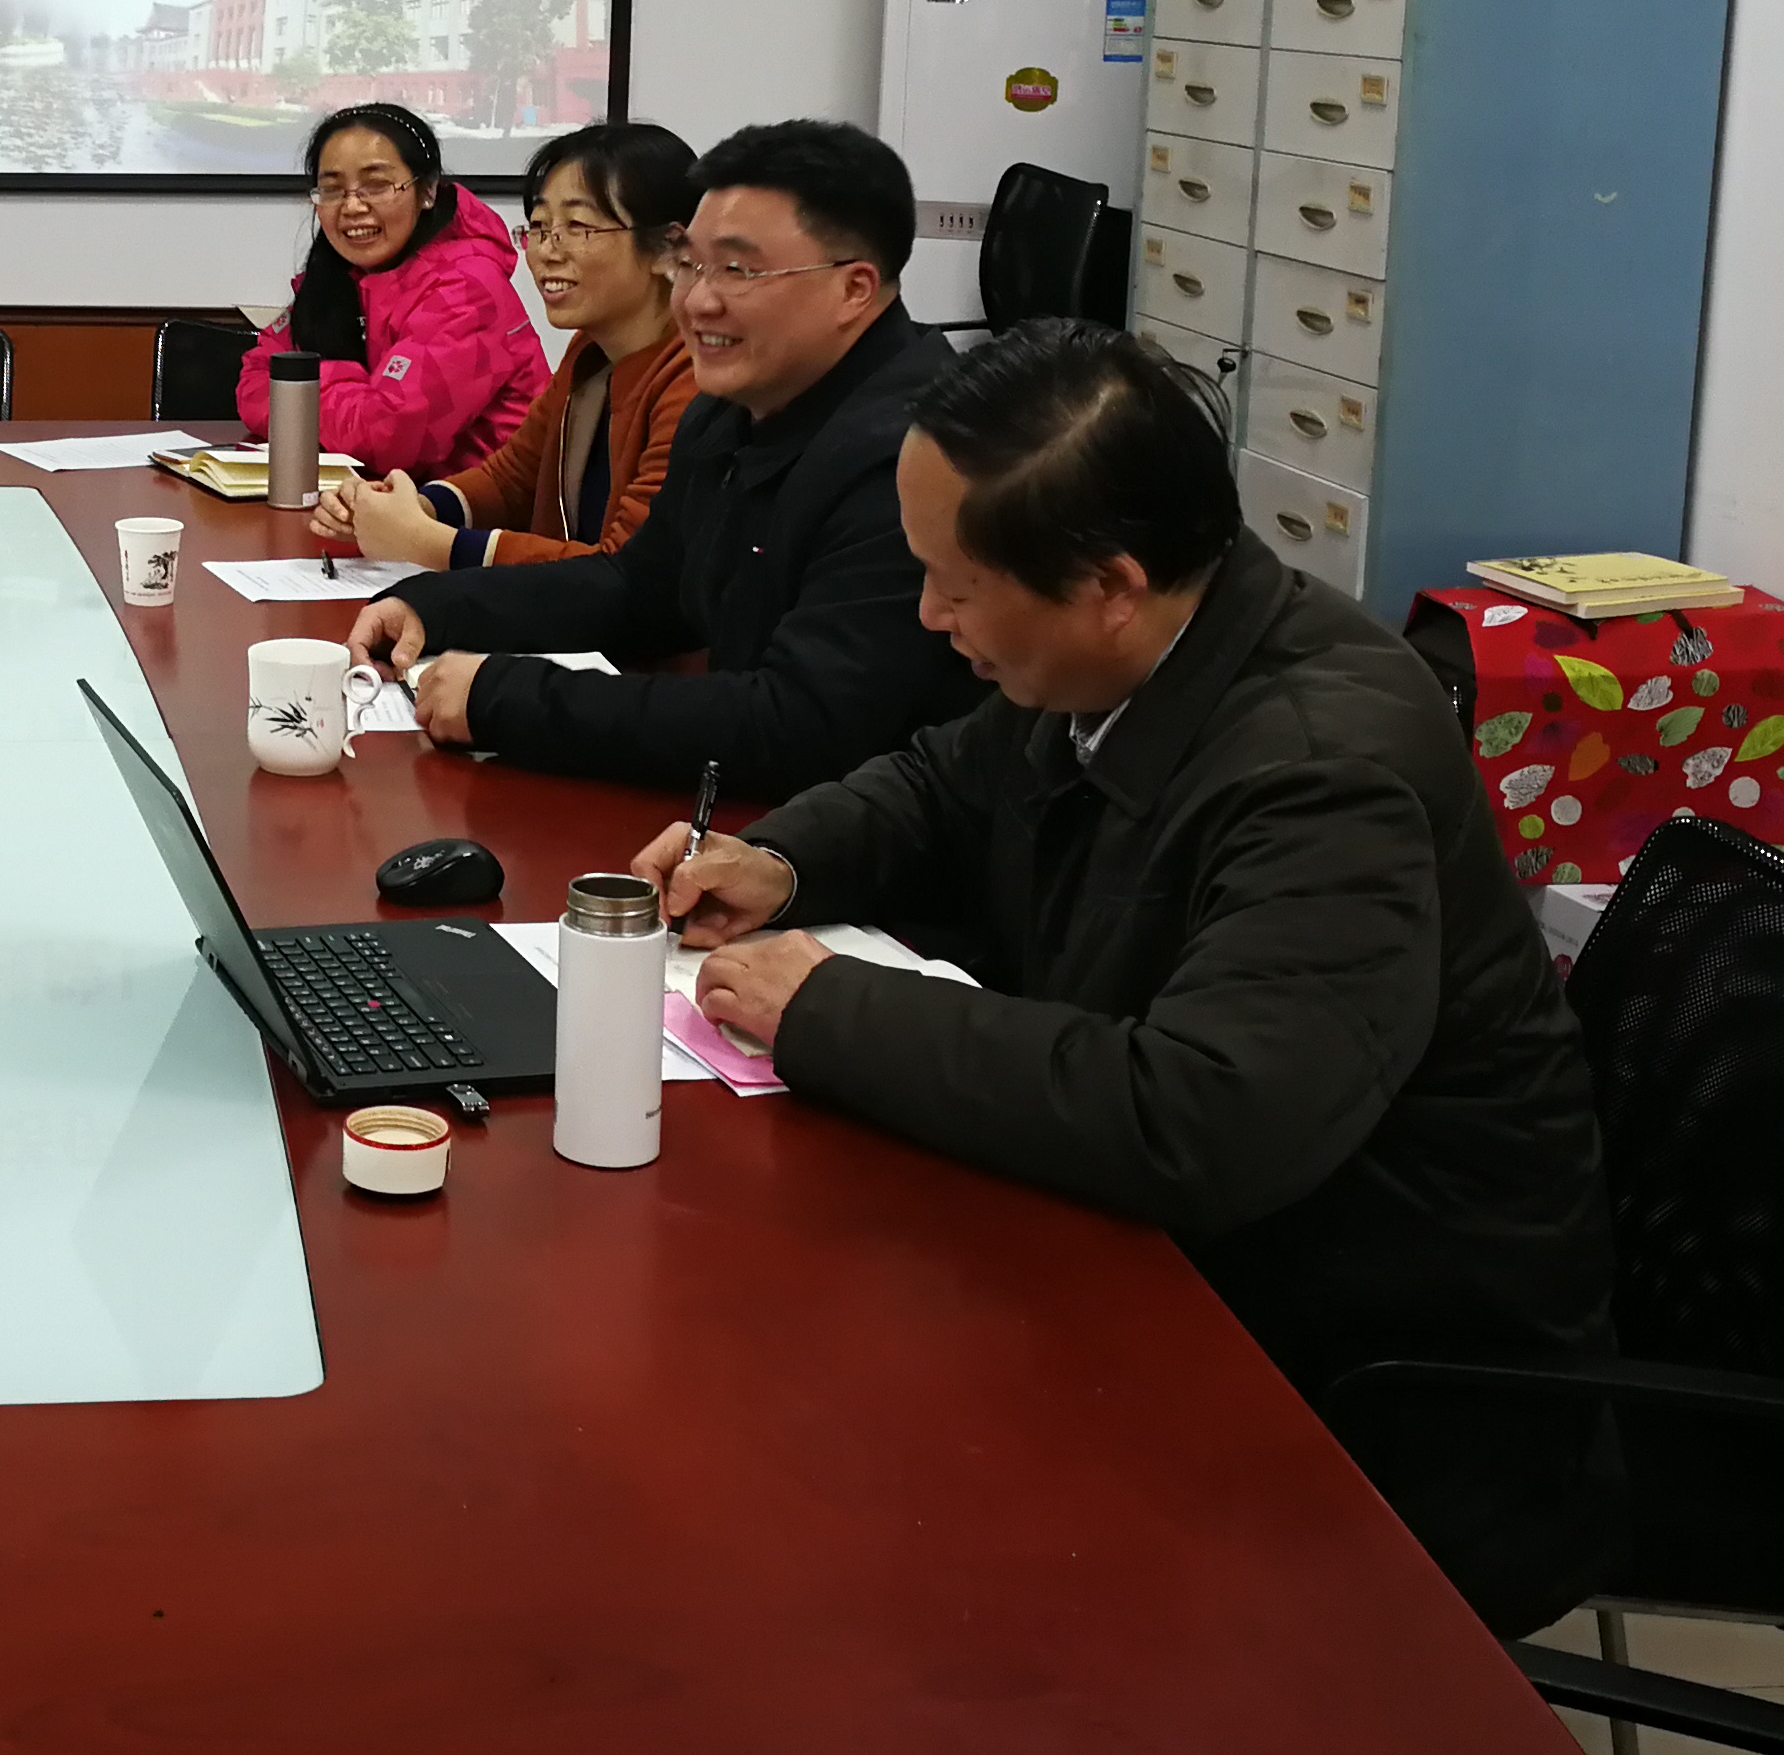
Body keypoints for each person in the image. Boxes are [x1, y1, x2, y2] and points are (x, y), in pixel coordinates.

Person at [650, 321, 1619, 1634]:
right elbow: (945, 781)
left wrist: (824, 1004)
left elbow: (1205, 1117)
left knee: (824, 1523)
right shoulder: (1132, 649)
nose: (927, 617)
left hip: (1369, 1380)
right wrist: (780, 859)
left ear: (1108, 582)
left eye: (954, 585)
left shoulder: (1323, 771)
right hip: (1181, 1270)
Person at [345, 118, 976, 800]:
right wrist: (435, 607)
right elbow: (640, 587)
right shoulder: (731, 408)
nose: (697, 301)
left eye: (738, 270)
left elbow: (801, 725)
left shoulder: (919, 453)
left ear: (854, 288)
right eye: (691, 265)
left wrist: (504, 695)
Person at [314, 120, 697, 571]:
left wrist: (430, 542)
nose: (547, 251)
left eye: (578, 227)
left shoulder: (694, 381)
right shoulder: (591, 355)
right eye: (539, 227)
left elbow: (627, 571)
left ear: (668, 248)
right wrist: (412, 508)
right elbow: (511, 480)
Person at [231, 102, 548, 479]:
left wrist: (306, 387)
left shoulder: (468, 287)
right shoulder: (335, 276)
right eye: (332, 190)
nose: (352, 207)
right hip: (380, 499)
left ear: (427, 191)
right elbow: (254, 383)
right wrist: (359, 399)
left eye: (377, 186)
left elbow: (388, 438)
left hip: (477, 509)